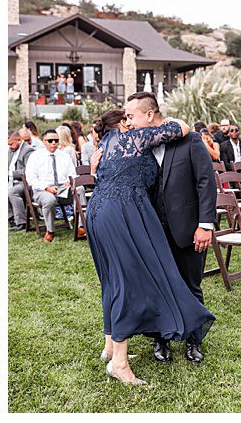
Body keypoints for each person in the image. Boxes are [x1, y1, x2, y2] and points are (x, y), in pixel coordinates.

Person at [87, 93, 215, 385]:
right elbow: (177, 127)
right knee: (125, 282)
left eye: (131, 115)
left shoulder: (113, 143)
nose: (127, 120)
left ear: (149, 114)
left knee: (123, 280)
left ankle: (186, 341)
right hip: (127, 218)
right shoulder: (134, 138)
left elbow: (206, 181)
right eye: (125, 117)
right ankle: (128, 358)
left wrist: (205, 224)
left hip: (113, 215)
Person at [24, 129, 77, 242]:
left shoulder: (64, 156)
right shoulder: (35, 156)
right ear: (44, 141)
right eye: (50, 140)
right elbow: (31, 178)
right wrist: (47, 188)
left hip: (62, 189)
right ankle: (50, 231)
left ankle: (81, 227)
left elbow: (72, 174)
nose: (54, 143)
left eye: (56, 140)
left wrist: (69, 181)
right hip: (42, 190)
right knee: (49, 200)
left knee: (80, 190)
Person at [7, 130, 36, 231]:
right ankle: (10, 218)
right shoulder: (11, 151)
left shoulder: (28, 150)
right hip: (12, 181)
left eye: (11, 144)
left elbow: (28, 170)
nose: (10, 146)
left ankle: (21, 222)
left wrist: (10, 174)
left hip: (25, 182)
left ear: (19, 140)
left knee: (12, 192)